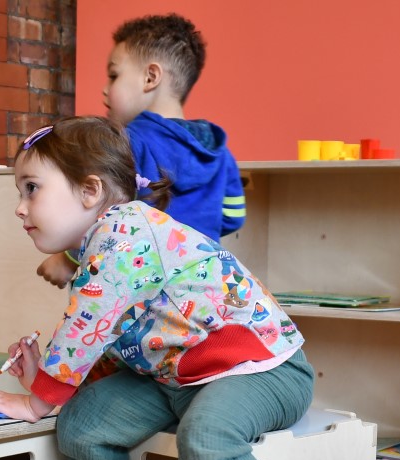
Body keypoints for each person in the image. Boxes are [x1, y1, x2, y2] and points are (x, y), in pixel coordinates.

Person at [0, 117, 313, 460]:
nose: (21, 207)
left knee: (207, 444)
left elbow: (84, 325)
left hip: (263, 369)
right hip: (178, 378)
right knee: (87, 423)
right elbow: (108, 343)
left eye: (32, 189)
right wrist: (40, 382)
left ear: (90, 191)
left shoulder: (124, 234)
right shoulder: (99, 247)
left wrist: (36, 401)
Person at [35, 13, 245, 288]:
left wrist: (69, 259)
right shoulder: (218, 151)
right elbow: (233, 217)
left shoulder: (129, 143)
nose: (105, 89)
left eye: (114, 76)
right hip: (203, 288)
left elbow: (104, 215)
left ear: (151, 77)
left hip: (141, 289)